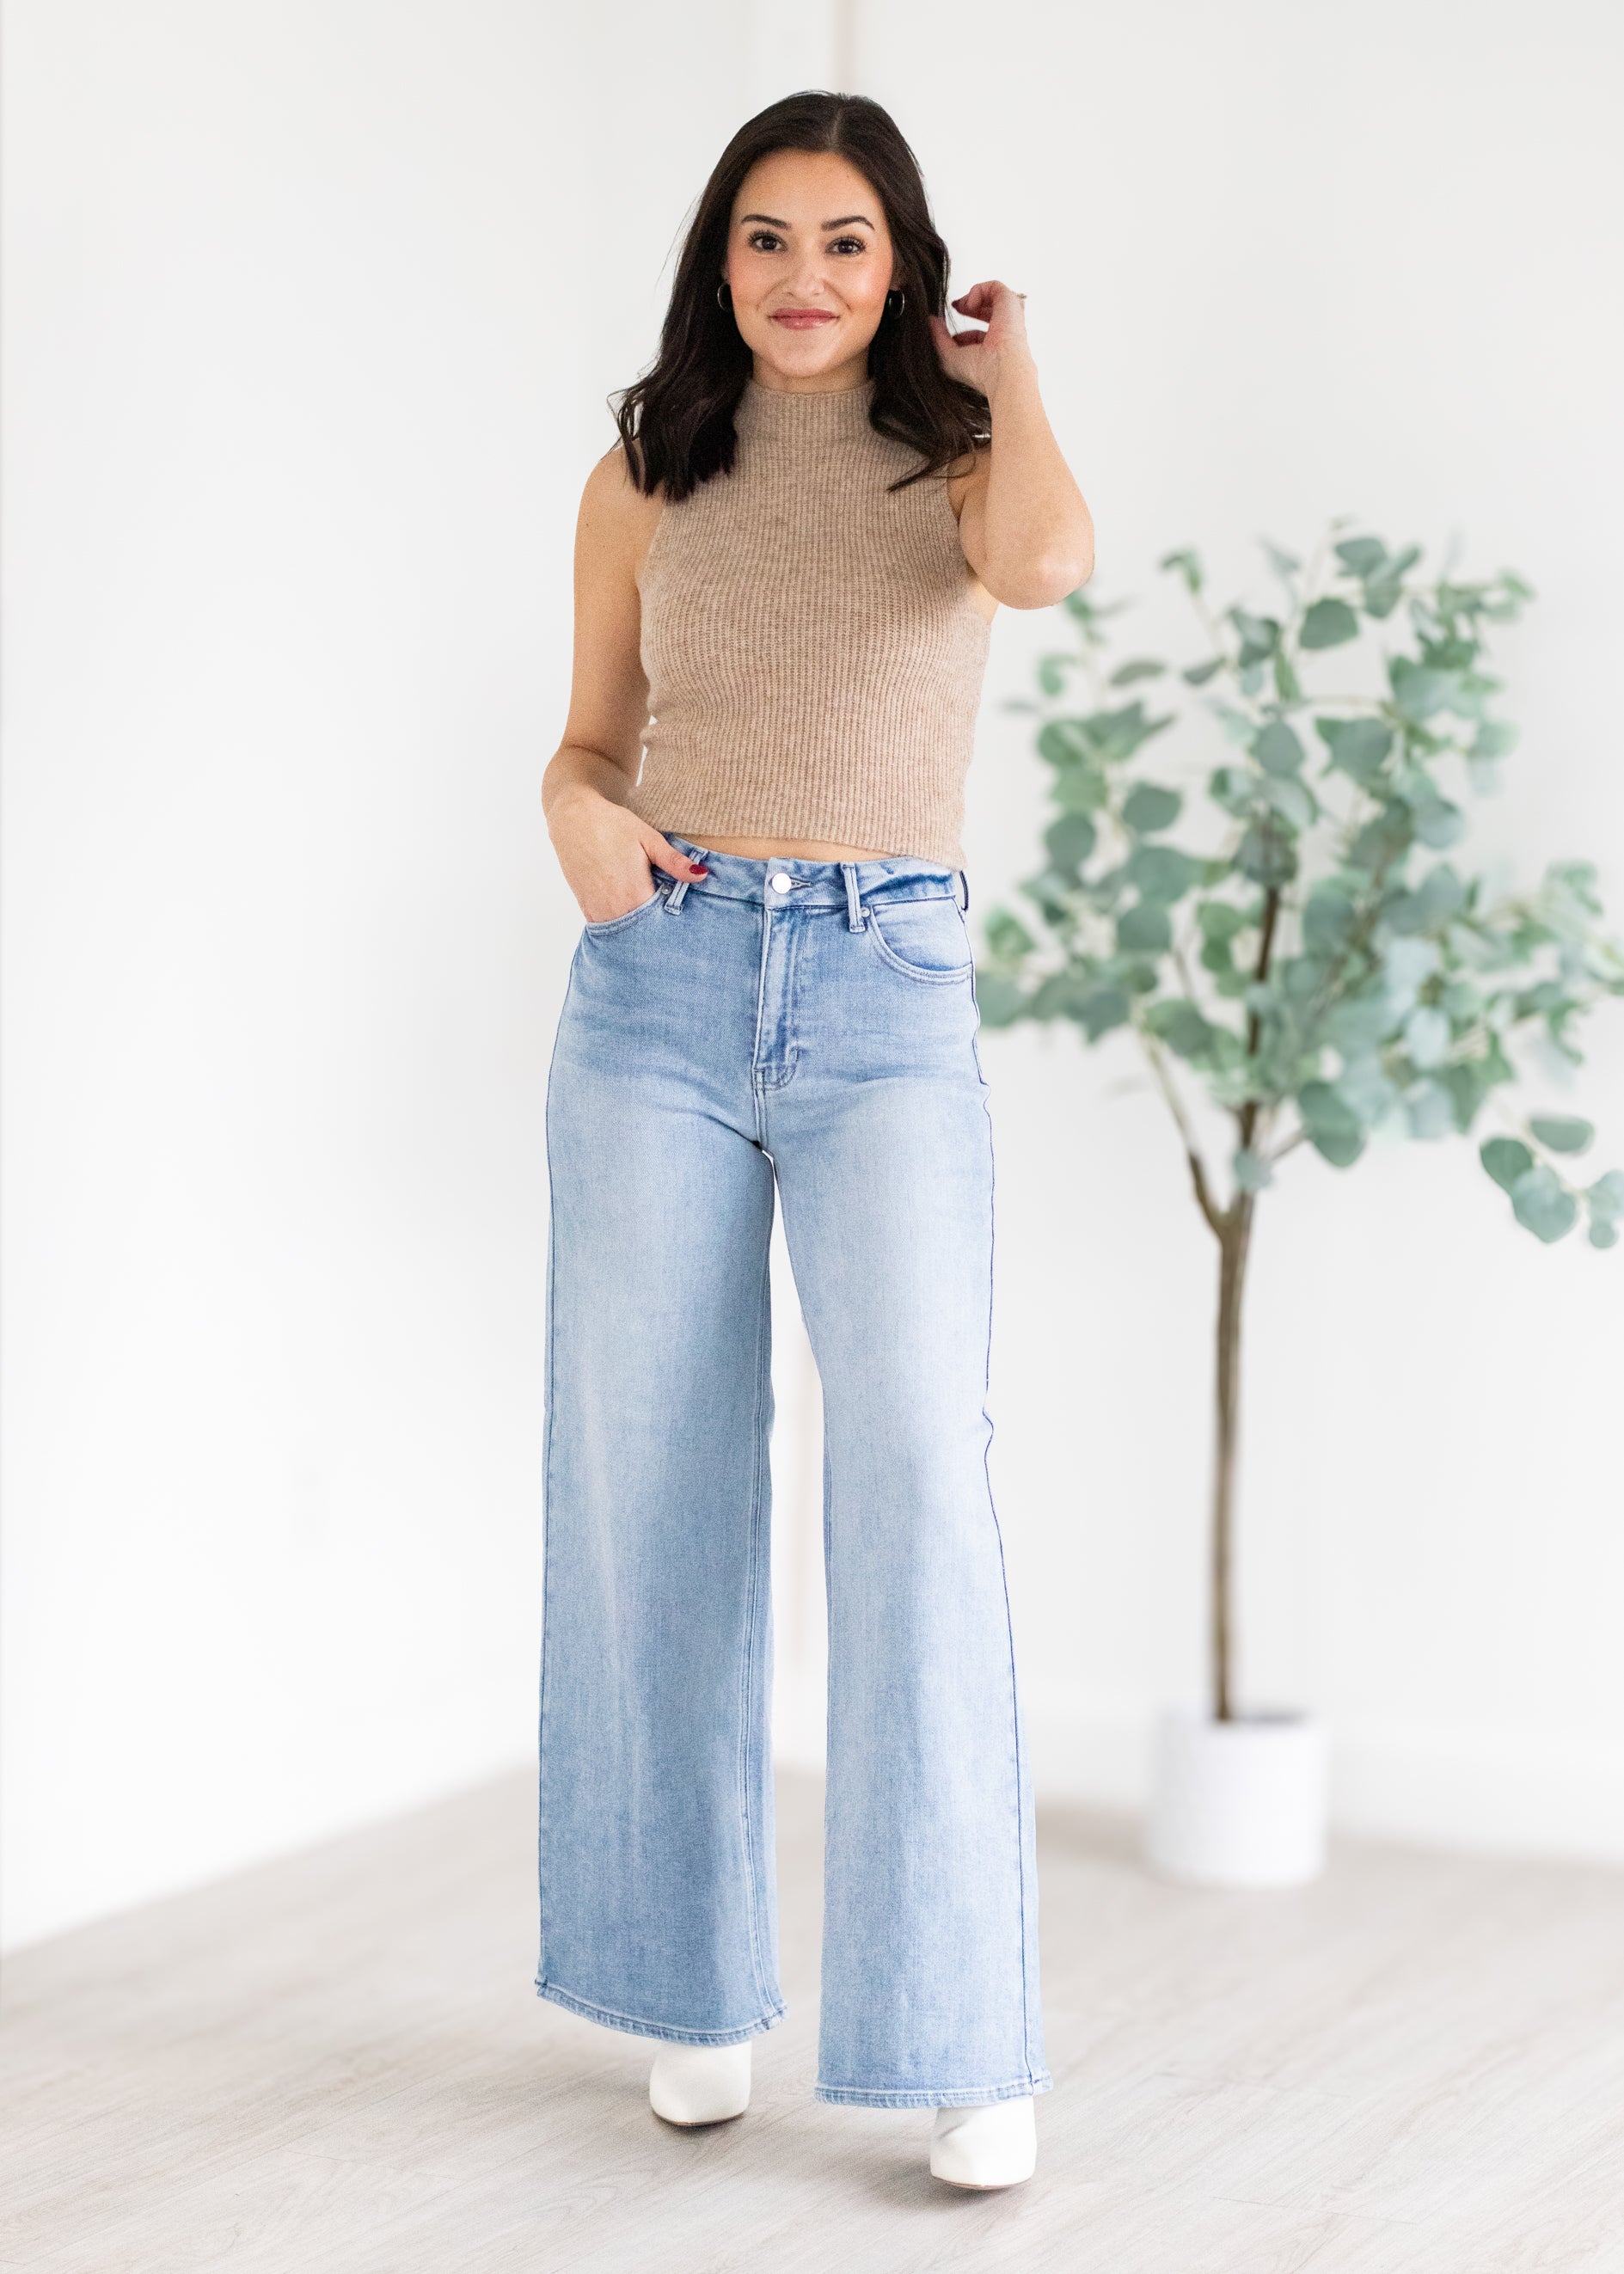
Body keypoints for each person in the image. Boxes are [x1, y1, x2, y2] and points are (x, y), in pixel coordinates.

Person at [536, 89, 1093, 2192]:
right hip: (659, 991)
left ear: (904, 264)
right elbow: (588, 740)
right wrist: (582, 830)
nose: (801, 279)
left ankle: (960, 2034)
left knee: (917, 1491)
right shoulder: (640, 475)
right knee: (655, 1484)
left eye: (846, 242)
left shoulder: (961, 467)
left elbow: (1045, 565)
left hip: (882, 992)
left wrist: (1009, 361)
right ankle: (687, 1991)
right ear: (719, 260)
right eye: (765, 240)